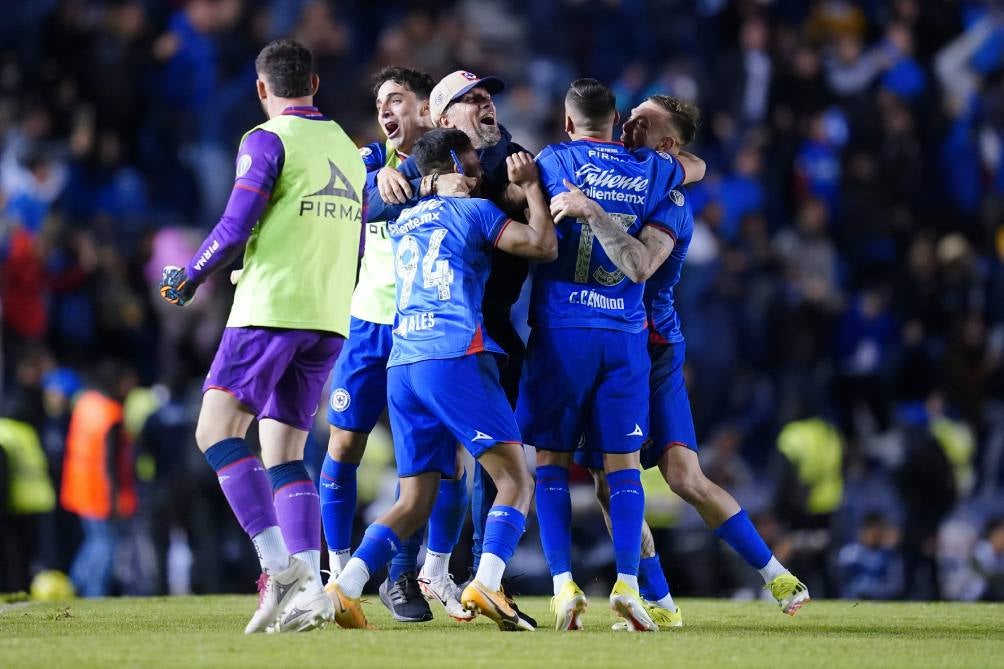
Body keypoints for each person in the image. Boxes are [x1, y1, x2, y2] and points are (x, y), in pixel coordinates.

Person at [158, 39, 365, 634]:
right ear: (315, 84)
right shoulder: (349, 153)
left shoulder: (266, 138)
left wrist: (191, 274)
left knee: (215, 430)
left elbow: (235, 222)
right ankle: (303, 591)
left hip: (270, 309)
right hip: (327, 319)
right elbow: (351, 245)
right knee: (284, 454)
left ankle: (279, 568)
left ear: (261, 89)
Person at [578, 95, 810, 626]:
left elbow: (640, 265)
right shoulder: (629, 169)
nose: (627, 122)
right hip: (629, 342)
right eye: (628, 113)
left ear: (666, 146)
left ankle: (767, 573)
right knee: (634, 480)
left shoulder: (669, 201)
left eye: (643, 120)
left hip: (643, 348)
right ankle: (673, 600)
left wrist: (591, 211)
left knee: (666, 478)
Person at [325, 128, 556, 632]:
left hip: (402, 364)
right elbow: (543, 244)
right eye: (472, 164)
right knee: (515, 479)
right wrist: (533, 187)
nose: (479, 174)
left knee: (413, 502)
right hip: (453, 355)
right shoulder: (474, 212)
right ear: (453, 161)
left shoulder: (405, 220)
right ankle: (488, 580)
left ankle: (344, 587)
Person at [517, 79, 702, 632]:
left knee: (550, 462)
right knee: (622, 469)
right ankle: (627, 583)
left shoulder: (551, 161)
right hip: (624, 335)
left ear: (568, 122)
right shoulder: (657, 171)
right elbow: (693, 166)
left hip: (561, 329)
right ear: (617, 118)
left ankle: (562, 587)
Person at [366, 72, 535, 581]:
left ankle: (478, 574)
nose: (487, 106)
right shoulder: (418, 170)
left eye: (489, 99)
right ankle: (409, 574)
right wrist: (414, 183)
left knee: (483, 463)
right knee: (443, 467)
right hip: (439, 331)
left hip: (489, 327)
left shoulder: (514, 158)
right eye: (473, 100)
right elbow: (369, 209)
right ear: (443, 121)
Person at [319, 65, 473, 624]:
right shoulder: (365, 162)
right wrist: (376, 181)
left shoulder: (453, 164)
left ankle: (413, 573)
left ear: (426, 110)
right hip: (367, 325)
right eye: (380, 101)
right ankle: (337, 568)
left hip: (425, 327)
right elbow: (351, 209)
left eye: (398, 99)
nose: (386, 110)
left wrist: (425, 181)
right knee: (343, 447)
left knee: (438, 463)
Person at [60, 360, 137, 598]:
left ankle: (71, 586)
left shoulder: (85, 403)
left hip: (79, 486)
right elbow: (110, 461)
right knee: (105, 544)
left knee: (93, 541)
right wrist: (113, 498)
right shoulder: (111, 414)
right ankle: (94, 594)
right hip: (100, 490)